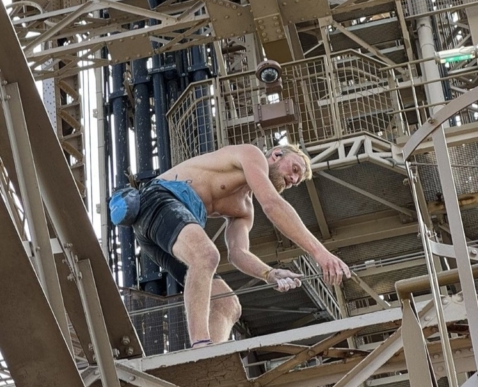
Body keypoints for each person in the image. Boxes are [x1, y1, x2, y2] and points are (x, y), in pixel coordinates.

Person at [132, 144, 350, 347]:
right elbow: (273, 204)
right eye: (294, 169)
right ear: (275, 155)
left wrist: (269, 273)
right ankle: (200, 350)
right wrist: (320, 253)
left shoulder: (245, 209)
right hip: (158, 198)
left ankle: (212, 367)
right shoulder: (251, 154)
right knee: (207, 255)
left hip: (157, 234)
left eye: (297, 180)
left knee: (228, 304)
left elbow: (238, 253)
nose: (293, 179)